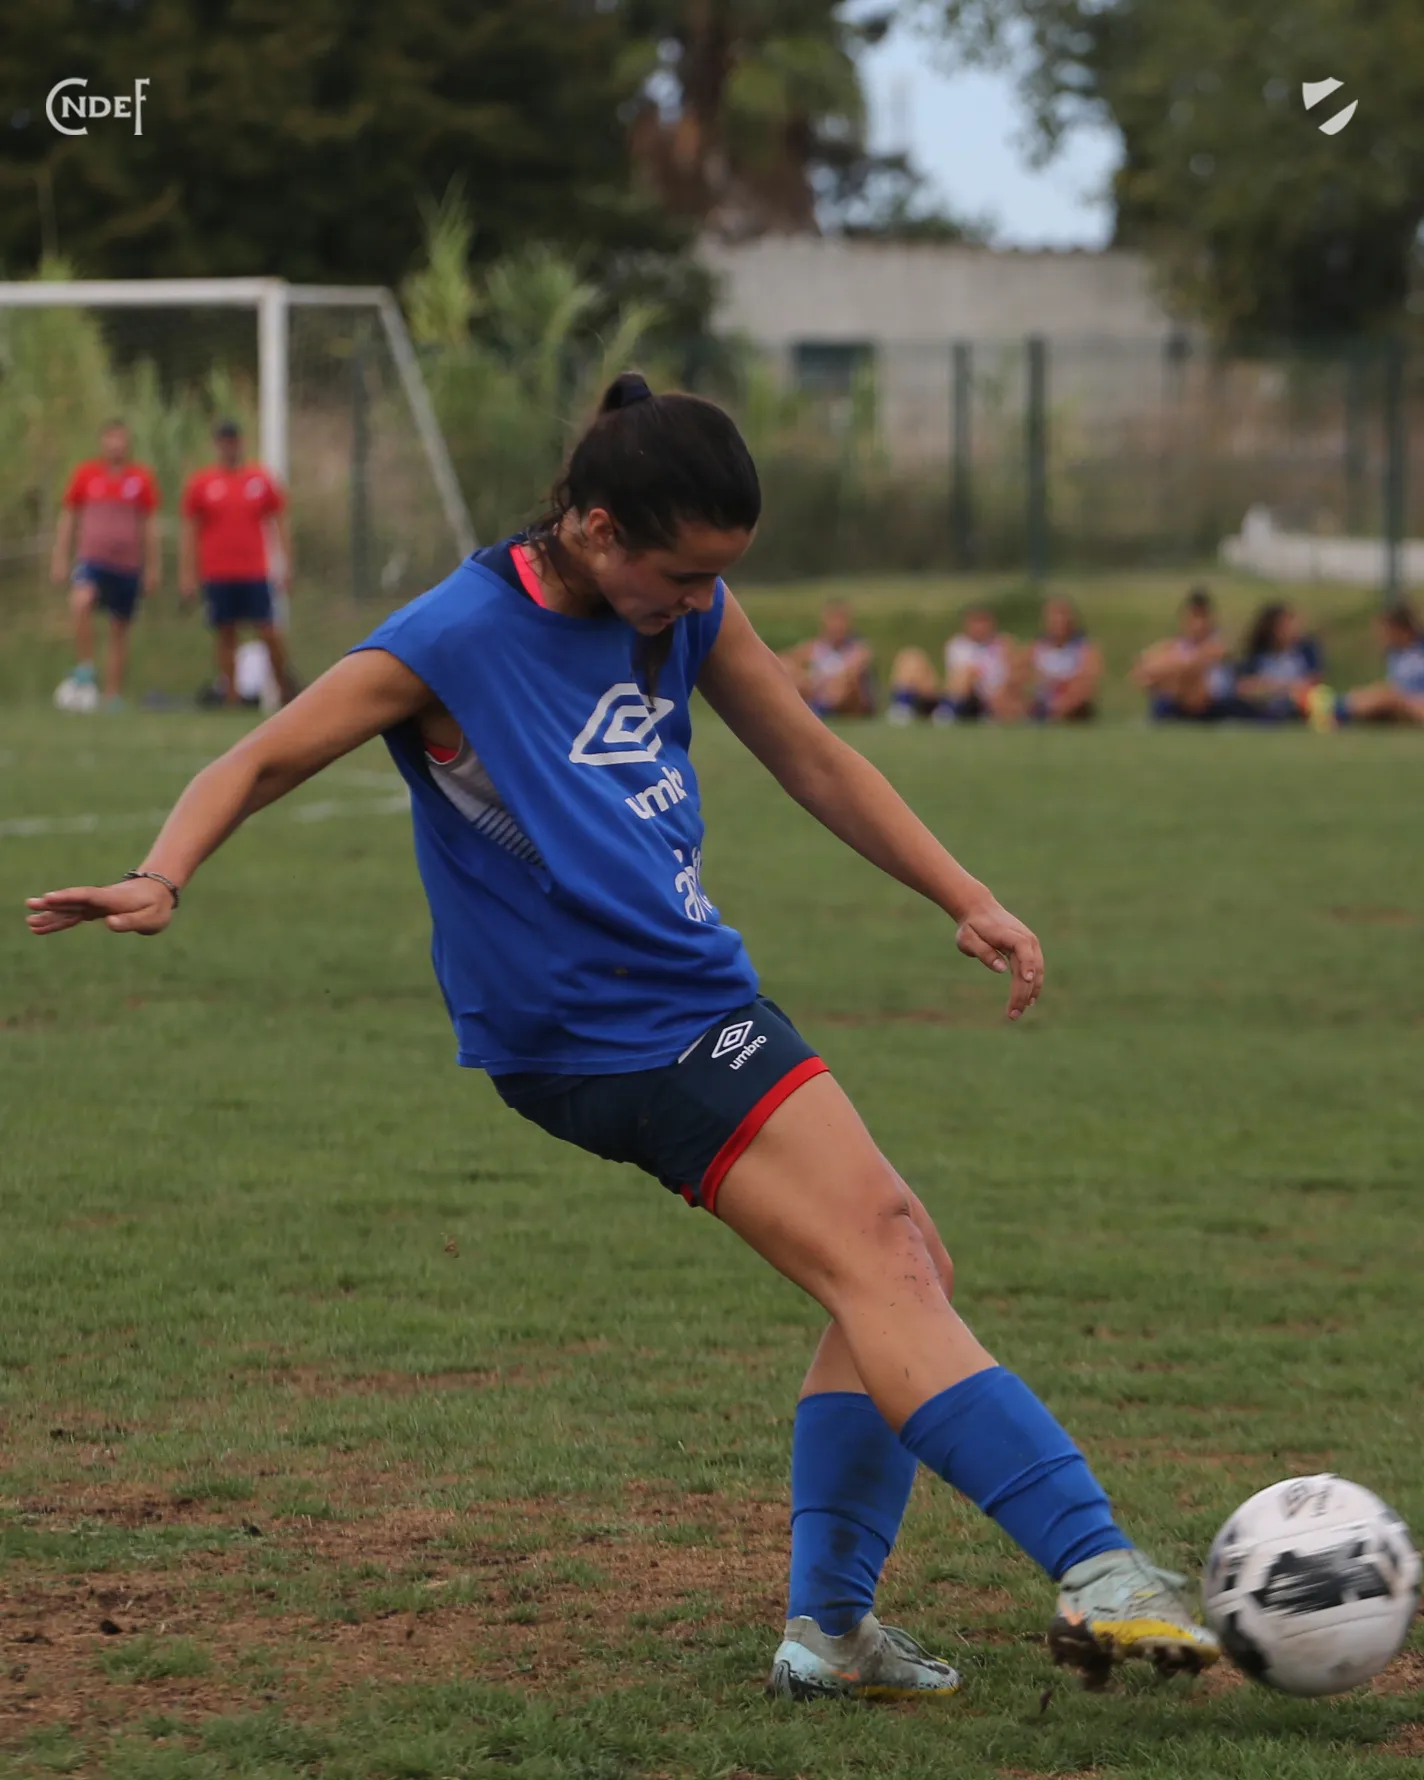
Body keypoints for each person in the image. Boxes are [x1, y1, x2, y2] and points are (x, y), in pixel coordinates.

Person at [27, 374, 1218, 1702]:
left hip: (682, 996)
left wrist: (964, 894)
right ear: (596, 529)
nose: (700, 600)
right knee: (884, 1253)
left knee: (897, 1264)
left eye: (717, 576)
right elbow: (255, 758)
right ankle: (1098, 1566)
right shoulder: (457, 634)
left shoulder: (685, 607)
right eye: (681, 574)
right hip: (605, 1023)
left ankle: (831, 1635)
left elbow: (811, 756)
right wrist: (163, 874)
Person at [180, 420, 296, 707]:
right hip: (218, 572)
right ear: (216, 444)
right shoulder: (203, 483)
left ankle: (284, 689)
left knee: (268, 630)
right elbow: (190, 531)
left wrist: (286, 563)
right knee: (225, 633)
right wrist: (188, 574)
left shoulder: (260, 480)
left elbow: (279, 521)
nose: (229, 447)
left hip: (254, 571)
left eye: (233, 441)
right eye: (224, 441)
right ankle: (231, 697)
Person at [49, 419, 161, 710]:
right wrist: (60, 557)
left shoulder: (140, 479)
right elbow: (68, 517)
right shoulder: (86, 475)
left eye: (120, 439)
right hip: (92, 559)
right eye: (111, 438)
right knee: (81, 601)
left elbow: (149, 525)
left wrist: (152, 567)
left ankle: (112, 695)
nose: (116, 445)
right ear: (102, 442)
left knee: (118, 628)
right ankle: (86, 665)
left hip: (127, 565)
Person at [888, 606, 1022, 725]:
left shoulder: (1003, 646)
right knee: (911, 656)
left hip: (984, 699)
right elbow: (952, 676)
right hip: (957, 694)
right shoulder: (957, 644)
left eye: (983, 622)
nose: (979, 627)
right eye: (975, 622)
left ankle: (946, 713)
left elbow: (1012, 678)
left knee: (968, 671)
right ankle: (902, 708)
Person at [1132, 587, 1231, 722]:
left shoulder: (1217, 647)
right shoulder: (1172, 646)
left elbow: (1194, 665)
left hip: (1211, 708)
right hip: (1177, 705)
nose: (1198, 624)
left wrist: (1170, 672)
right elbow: (1142, 675)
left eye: (1202, 617)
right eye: (1194, 617)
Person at [1324, 602, 1424, 728]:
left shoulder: (1419, 649)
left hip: (1416, 704)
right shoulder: (1395, 654)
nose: (1381, 636)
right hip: (1404, 704)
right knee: (1376, 695)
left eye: (1385, 630)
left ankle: (1335, 710)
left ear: (1399, 629)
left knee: (1387, 697)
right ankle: (1334, 708)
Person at [1228, 601, 1325, 723]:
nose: (1290, 630)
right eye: (1284, 626)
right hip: (1266, 710)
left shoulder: (1306, 650)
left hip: (1302, 706)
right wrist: (1283, 687)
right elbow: (1243, 687)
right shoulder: (1258, 658)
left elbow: (1314, 681)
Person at [780, 601, 876, 717]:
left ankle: (819, 709)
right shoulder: (813, 647)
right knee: (791, 672)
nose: (837, 625)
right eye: (833, 620)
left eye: (841, 620)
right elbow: (784, 659)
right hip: (818, 689)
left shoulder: (858, 650)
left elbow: (851, 673)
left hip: (848, 701)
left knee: (842, 685)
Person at [1026, 598, 1102, 722]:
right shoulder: (1038, 647)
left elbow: (1090, 676)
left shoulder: (1083, 647)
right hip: (1044, 693)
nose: (1059, 621)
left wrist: (1065, 683)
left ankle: (1053, 715)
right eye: (1054, 617)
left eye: (1062, 616)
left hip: (1070, 694)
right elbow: (1026, 674)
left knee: (1079, 689)